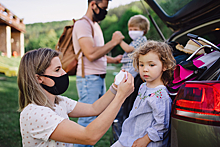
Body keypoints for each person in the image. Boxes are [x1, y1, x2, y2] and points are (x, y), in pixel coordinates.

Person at [18, 48, 134, 147]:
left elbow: (94, 109)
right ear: (39, 78)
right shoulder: (35, 113)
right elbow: (89, 136)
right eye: (57, 70)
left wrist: (115, 87)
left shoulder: (58, 101)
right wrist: (121, 97)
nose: (64, 73)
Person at [72, 1, 124, 146]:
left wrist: (113, 60)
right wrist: (113, 42)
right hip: (89, 78)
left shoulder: (95, 25)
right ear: (93, 4)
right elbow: (90, 54)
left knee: (94, 118)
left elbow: (97, 52)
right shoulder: (83, 24)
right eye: (103, 8)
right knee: (87, 119)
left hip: (97, 78)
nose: (105, 12)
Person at [111, 40, 176, 147]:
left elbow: (162, 125)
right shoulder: (143, 86)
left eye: (151, 65)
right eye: (141, 65)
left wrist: (145, 139)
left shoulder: (160, 95)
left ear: (164, 66)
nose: (145, 69)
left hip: (147, 142)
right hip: (132, 135)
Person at [116, 14, 150, 124]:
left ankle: (122, 116)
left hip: (132, 69)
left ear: (143, 30)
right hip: (127, 68)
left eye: (135, 29)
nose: (132, 31)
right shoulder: (136, 40)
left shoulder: (141, 39)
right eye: (130, 29)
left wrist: (119, 41)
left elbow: (129, 49)